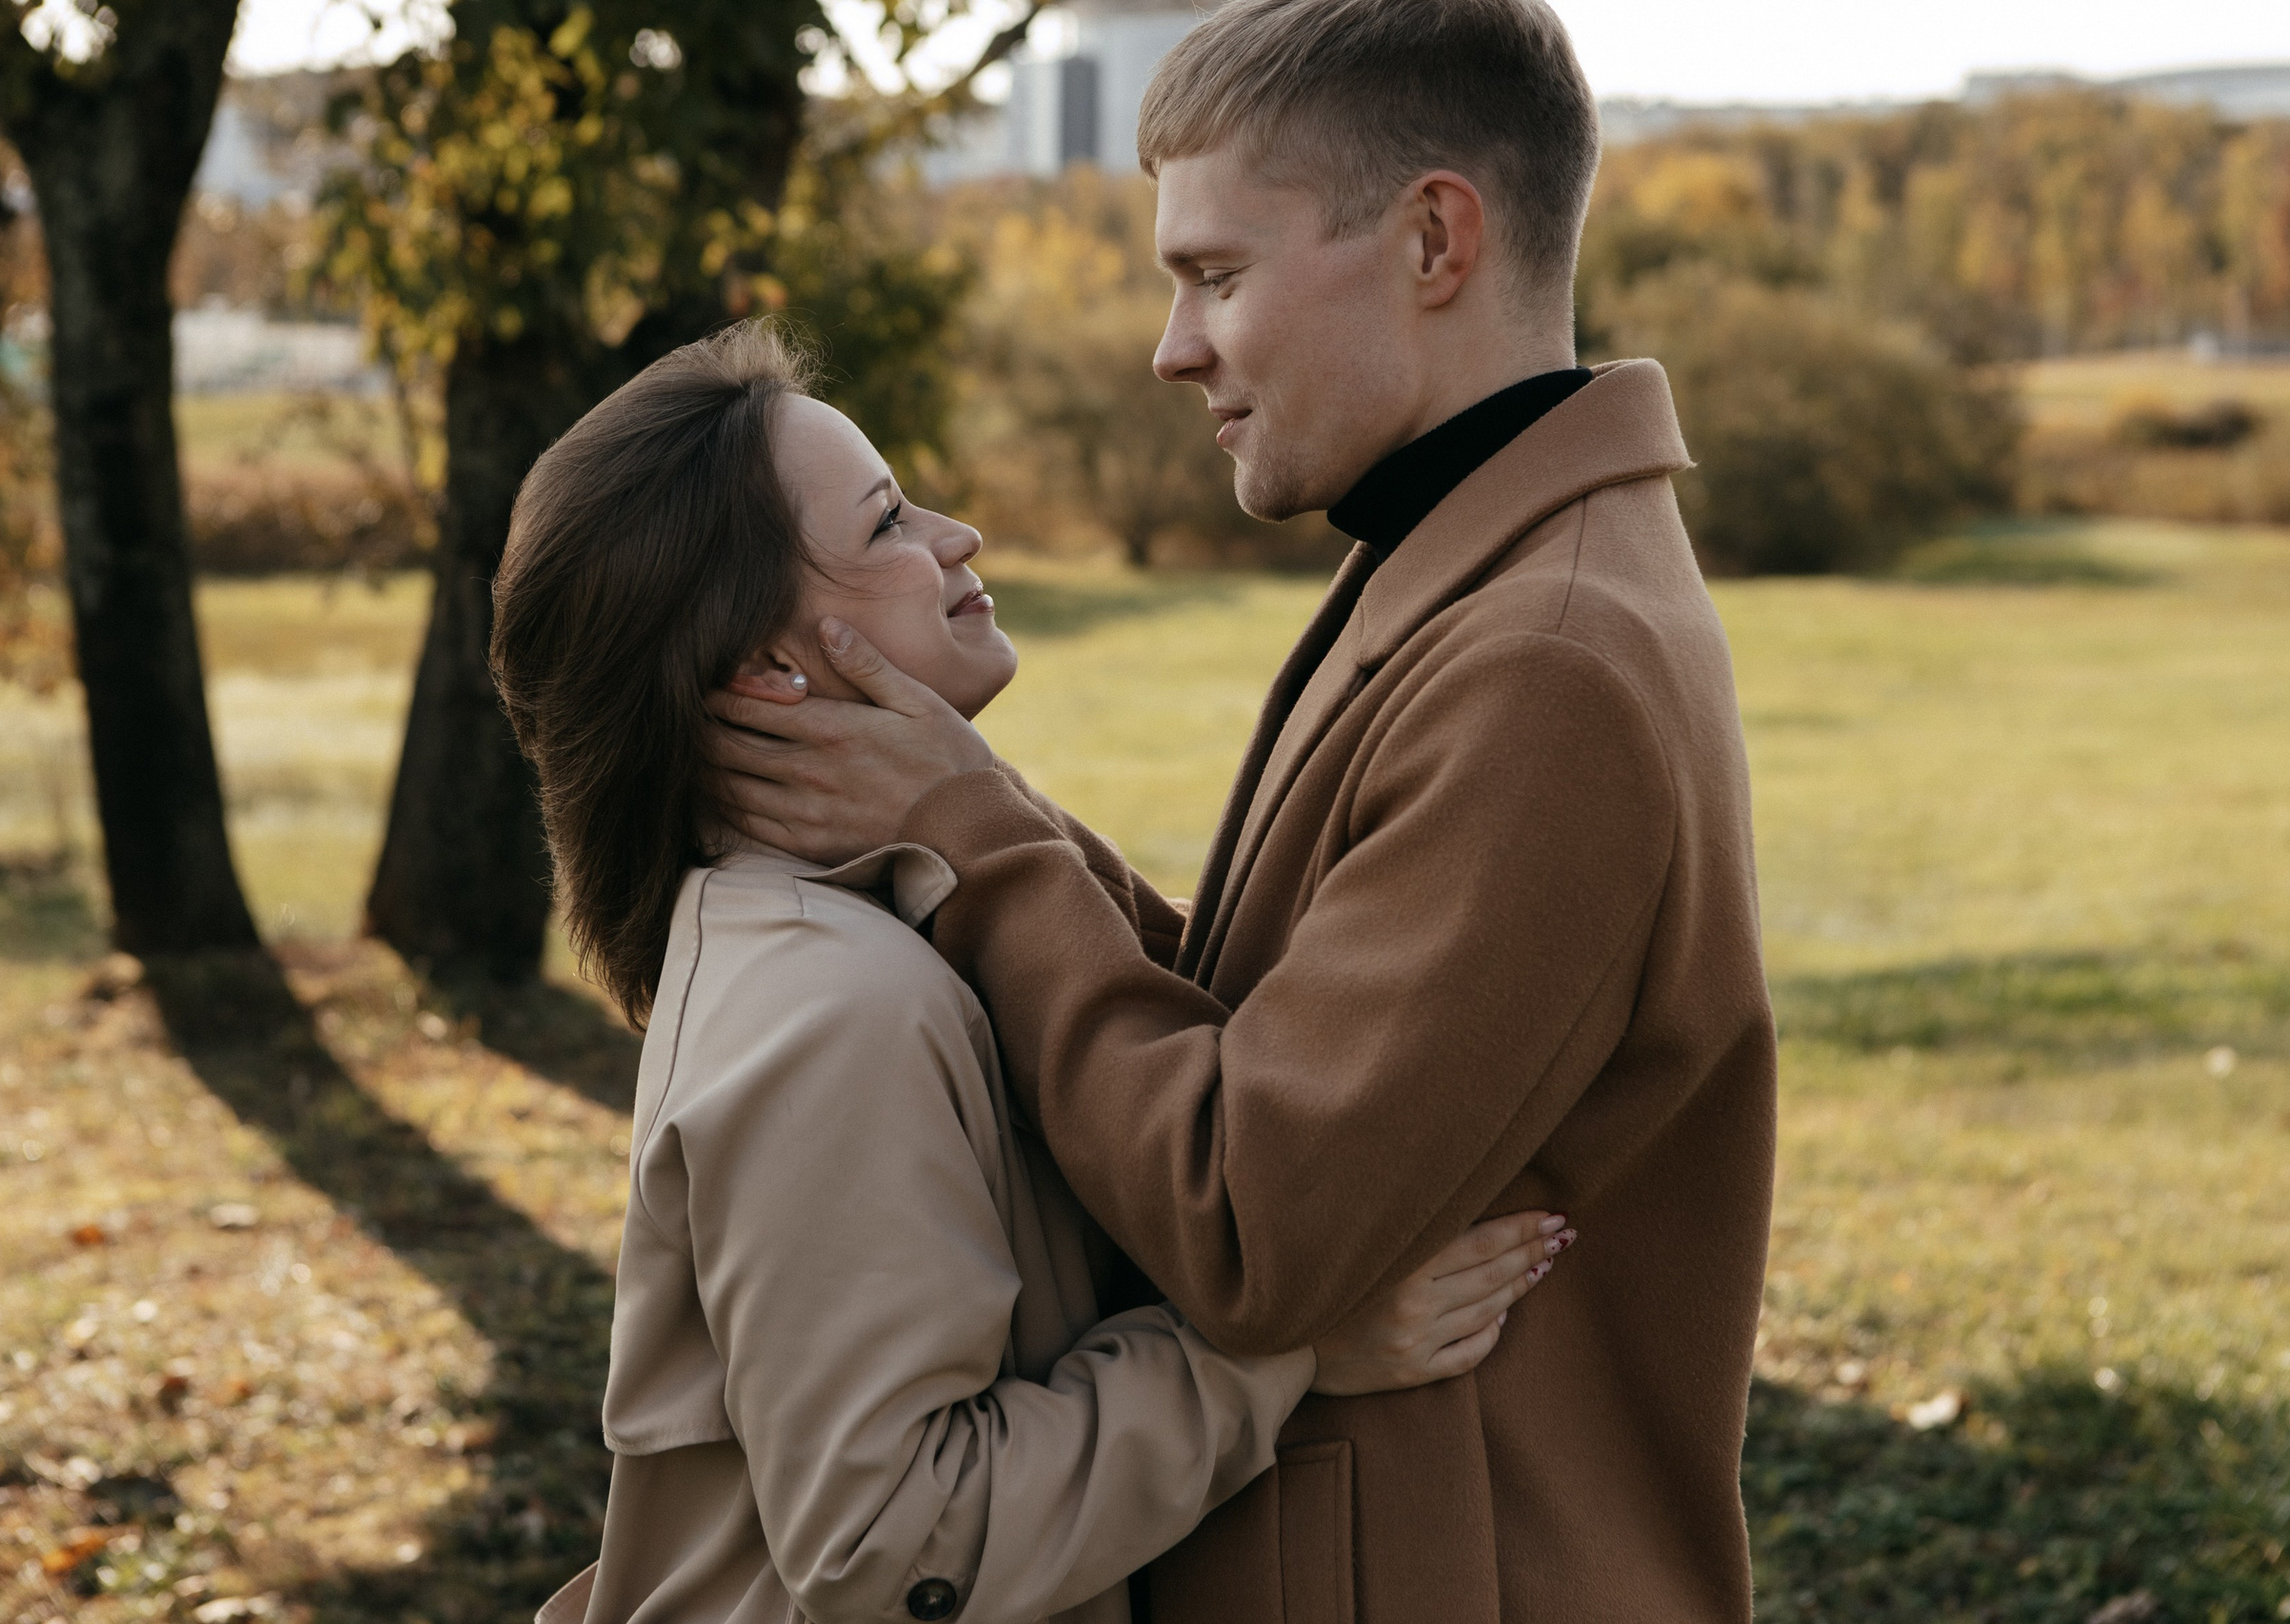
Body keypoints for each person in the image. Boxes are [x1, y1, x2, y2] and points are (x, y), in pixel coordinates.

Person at [701, 0, 1779, 1619]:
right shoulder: (1452, 562)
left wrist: (982, 838)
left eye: (1216, 274)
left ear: (1432, 239)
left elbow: (1253, 1226)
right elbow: (1273, 1019)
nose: (1173, 345)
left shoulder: (1547, 662)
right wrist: (980, 809)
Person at [491, 322, 1571, 1624]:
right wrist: (1280, 1352)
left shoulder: (863, 931)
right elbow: (893, 1545)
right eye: (889, 522)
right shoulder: (836, 1008)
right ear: (772, 668)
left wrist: (976, 807)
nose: (959, 536)